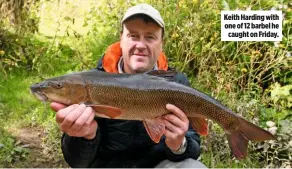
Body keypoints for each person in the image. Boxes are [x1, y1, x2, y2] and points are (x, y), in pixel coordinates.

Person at [50, 3, 207, 168]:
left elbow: (193, 147)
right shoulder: (93, 82)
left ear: (161, 43)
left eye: (150, 37)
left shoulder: (176, 83)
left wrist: (179, 145)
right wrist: (84, 136)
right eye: (133, 36)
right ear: (121, 40)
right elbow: (77, 163)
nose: (140, 45)